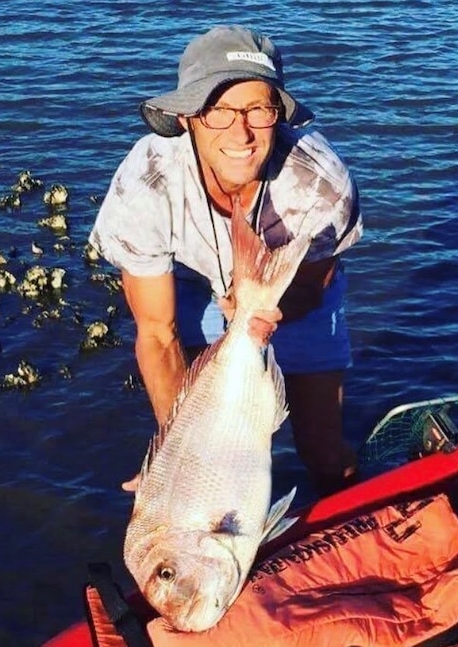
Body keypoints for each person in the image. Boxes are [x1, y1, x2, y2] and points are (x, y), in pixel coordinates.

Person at [89, 25, 363, 496]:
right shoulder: (145, 187)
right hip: (192, 284)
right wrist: (179, 452)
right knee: (200, 450)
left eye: (258, 108)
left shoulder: (321, 185)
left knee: (324, 453)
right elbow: (157, 333)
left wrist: (252, 320)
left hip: (289, 292)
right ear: (188, 118)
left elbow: (311, 285)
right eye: (218, 110)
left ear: (278, 114)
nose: (241, 132)